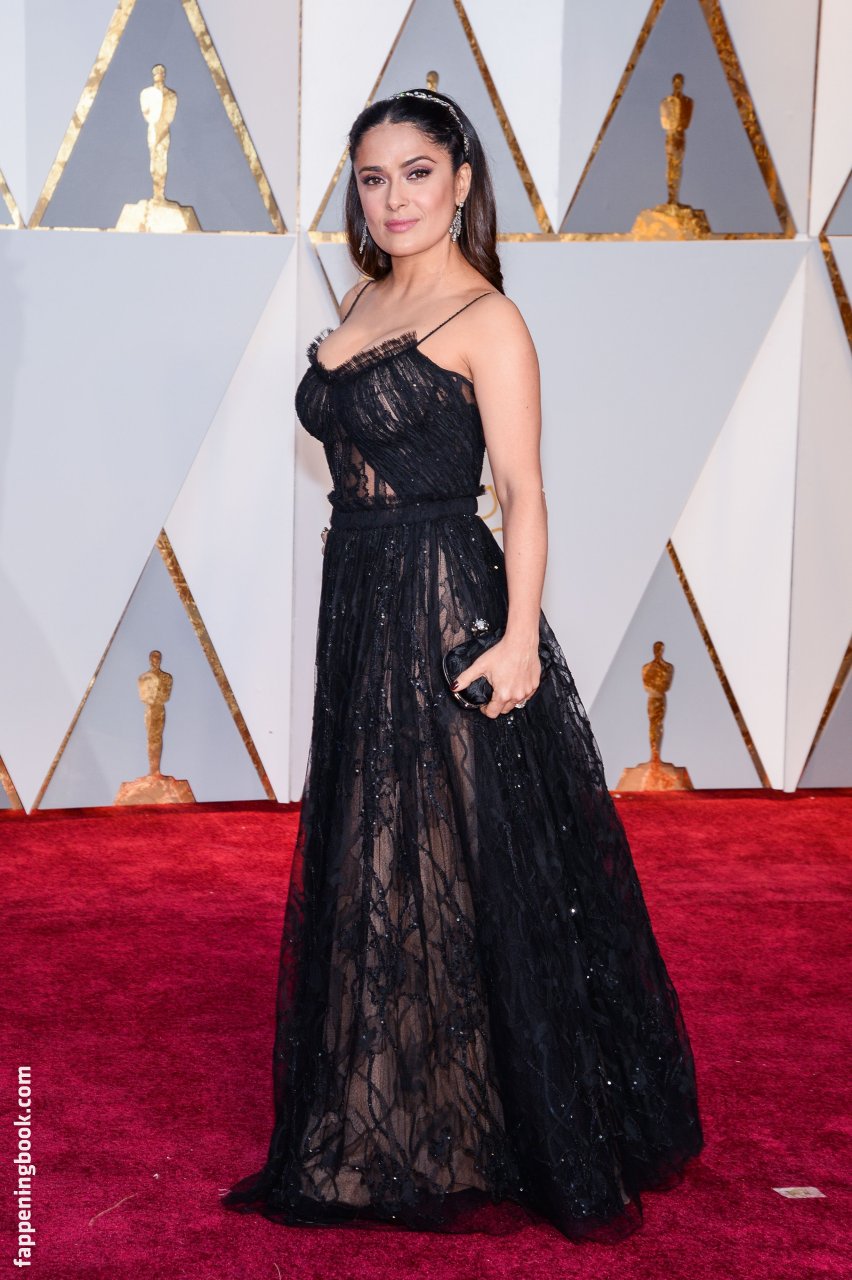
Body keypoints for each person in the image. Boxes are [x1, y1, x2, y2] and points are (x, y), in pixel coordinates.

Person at [221, 87, 704, 1245]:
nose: (393, 197)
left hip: (446, 603)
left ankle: (479, 1118)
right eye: (372, 177)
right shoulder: (365, 296)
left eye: (417, 173)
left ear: (463, 181)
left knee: (450, 855)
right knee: (372, 846)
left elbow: (525, 493)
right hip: (359, 601)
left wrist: (520, 635)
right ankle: (384, 1102)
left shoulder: (490, 318)